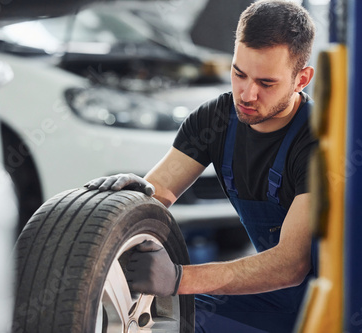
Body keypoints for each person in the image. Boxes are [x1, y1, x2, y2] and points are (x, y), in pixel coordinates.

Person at [85, 1, 317, 332]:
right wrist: (132, 199)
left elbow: (290, 265)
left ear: (301, 79)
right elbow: (156, 197)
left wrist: (179, 277)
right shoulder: (216, 119)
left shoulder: (318, 141)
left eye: (266, 83)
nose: (247, 94)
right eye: (239, 73)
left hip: (335, 305)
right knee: (175, 322)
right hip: (268, 299)